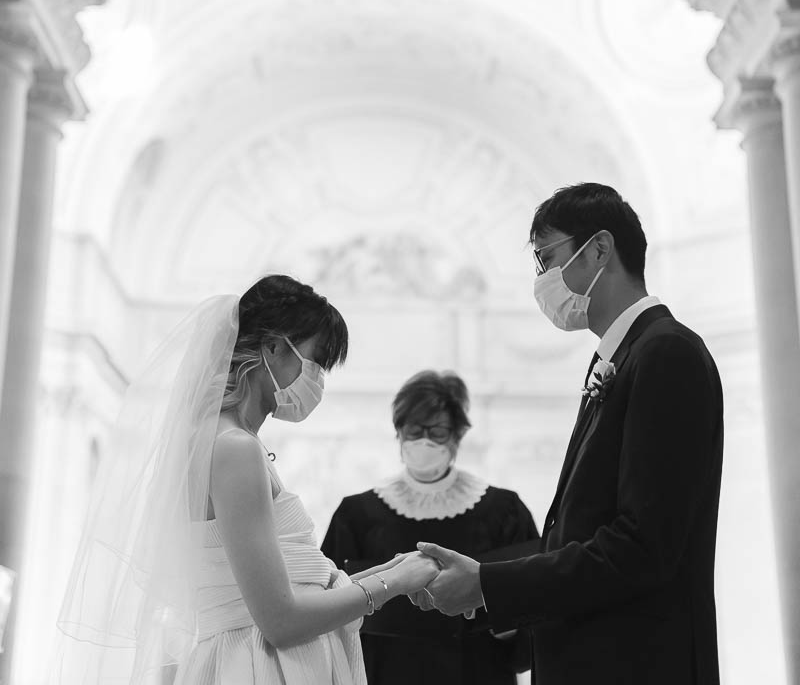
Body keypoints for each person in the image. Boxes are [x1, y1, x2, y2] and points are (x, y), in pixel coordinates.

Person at [412, 183, 724, 685]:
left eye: (546, 259)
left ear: (599, 248)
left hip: (637, 665)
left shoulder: (667, 354)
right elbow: (581, 529)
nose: (542, 280)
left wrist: (489, 585)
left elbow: (642, 546)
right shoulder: (619, 357)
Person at [55, 275, 437, 685]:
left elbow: (291, 586)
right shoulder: (234, 447)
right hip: (260, 666)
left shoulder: (231, 440)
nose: (319, 378)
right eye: (316, 361)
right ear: (272, 347)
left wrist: (394, 569)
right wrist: (392, 582)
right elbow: (280, 620)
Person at [321, 369, 539, 684]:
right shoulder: (356, 515)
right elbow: (329, 608)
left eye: (437, 431)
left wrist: (508, 623)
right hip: (386, 672)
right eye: (414, 430)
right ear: (398, 433)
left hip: (479, 673)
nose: (425, 441)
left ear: (457, 436)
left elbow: (537, 607)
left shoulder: (504, 510)